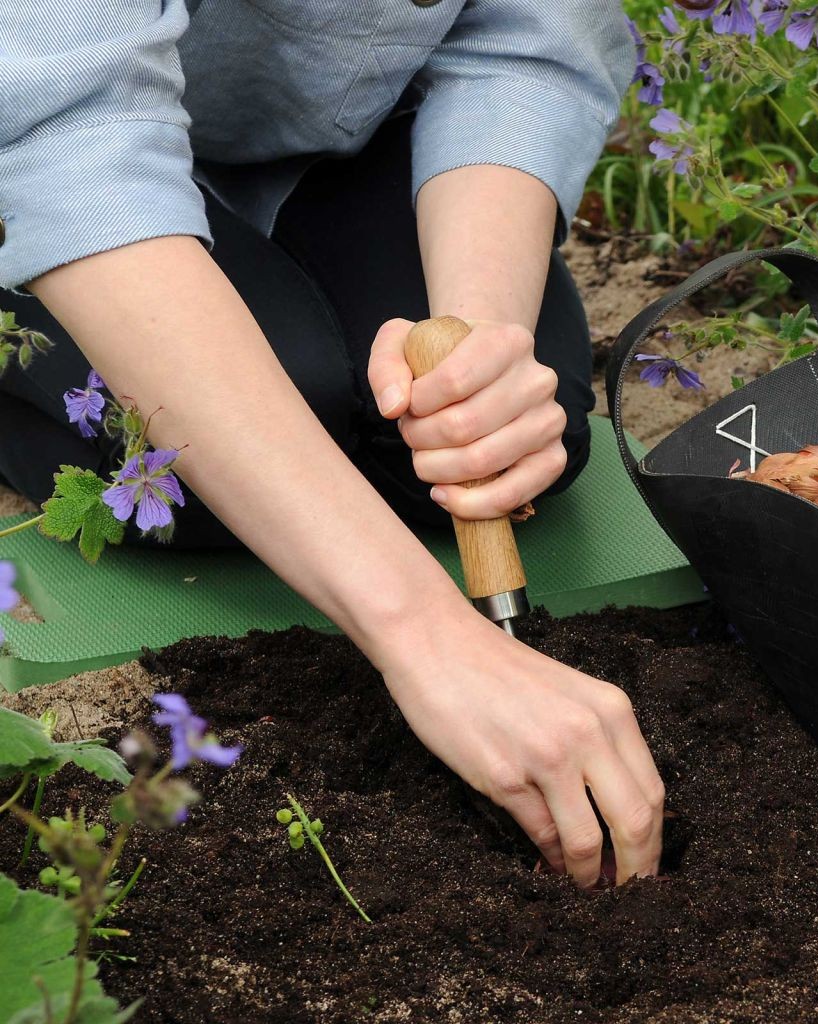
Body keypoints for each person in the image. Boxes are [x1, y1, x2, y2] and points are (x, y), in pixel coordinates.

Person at [0, 0, 664, 887]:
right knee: (198, 480)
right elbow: (66, 136)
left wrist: (471, 372)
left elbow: (526, 41)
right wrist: (430, 638)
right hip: (38, 122)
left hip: (318, 138)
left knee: (490, 443)